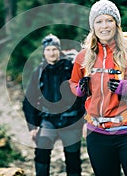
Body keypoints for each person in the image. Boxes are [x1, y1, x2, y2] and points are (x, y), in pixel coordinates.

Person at [69, 0, 127, 176]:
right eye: (99, 21)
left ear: (117, 24)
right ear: (92, 26)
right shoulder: (83, 56)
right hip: (97, 135)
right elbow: (73, 83)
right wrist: (79, 90)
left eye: (109, 20)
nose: (104, 26)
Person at [22, 34, 85, 176]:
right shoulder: (38, 72)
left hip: (71, 120)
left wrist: (86, 120)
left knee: (73, 158)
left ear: (59, 50)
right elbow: (29, 100)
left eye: (54, 49)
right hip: (48, 120)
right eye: (48, 50)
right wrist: (32, 126)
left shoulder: (71, 68)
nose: (52, 53)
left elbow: (85, 94)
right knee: (41, 152)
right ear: (44, 52)